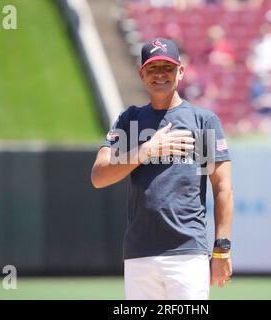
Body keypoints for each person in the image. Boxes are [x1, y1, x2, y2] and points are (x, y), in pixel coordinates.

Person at [90, 37, 234, 300]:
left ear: (181, 71)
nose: (160, 74)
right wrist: (147, 150)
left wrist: (222, 249)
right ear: (141, 73)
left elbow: (222, 187)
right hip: (139, 254)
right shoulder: (130, 119)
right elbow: (99, 176)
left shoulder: (201, 121)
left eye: (167, 67)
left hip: (187, 252)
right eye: (152, 68)